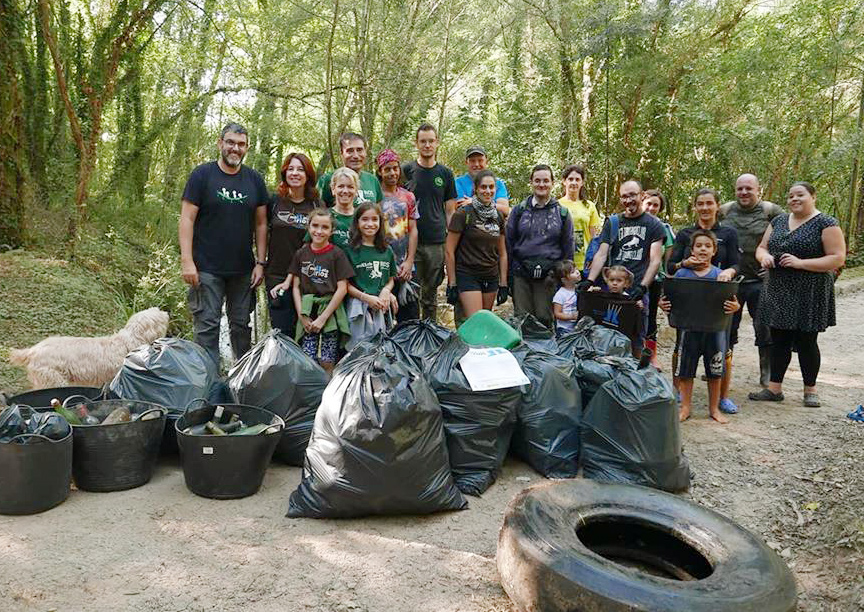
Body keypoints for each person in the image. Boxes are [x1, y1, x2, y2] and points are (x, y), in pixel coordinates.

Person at [179, 122, 269, 366]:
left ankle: (241, 379)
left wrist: (261, 262)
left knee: (241, 326)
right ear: (220, 143)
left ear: (247, 148)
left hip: (242, 270)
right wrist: (187, 261)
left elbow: (261, 224)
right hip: (206, 268)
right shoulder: (202, 176)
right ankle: (206, 381)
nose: (235, 148)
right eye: (230, 142)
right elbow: (187, 218)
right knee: (207, 326)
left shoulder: (254, 180)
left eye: (240, 144)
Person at [749, 182, 846, 407]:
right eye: (791, 196)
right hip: (778, 288)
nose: (794, 199)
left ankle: (810, 390)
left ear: (812, 196)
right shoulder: (779, 221)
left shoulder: (826, 223)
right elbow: (762, 247)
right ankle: (774, 388)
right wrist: (763, 257)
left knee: (806, 340)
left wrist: (801, 263)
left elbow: (837, 258)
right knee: (778, 338)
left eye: (800, 195)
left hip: (809, 290)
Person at [667, 188, 740, 412]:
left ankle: (722, 399)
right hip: (689, 304)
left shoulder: (729, 233)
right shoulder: (685, 234)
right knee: (683, 348)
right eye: (701, 203)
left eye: (710, 203)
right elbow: (670, 267)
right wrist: (684, 265)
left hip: (718, 302)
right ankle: (679, 394)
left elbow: (738, 264)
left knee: (723, 349)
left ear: (717, 206)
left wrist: (728, 272)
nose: (705, 207)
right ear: (695, 206)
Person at [579, 180, 665, 357]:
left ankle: (635, 378)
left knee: (637, 340)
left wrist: (643, 287)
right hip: (611, 292)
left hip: (637, 294)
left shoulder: (654, 224)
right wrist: (589, 280)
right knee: (607, 338)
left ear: (642, 196)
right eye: (624, 196)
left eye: (632, 195)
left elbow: (655, 260)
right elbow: (602, 254)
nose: (628, 200)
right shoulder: (613, 222)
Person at [719, 173, 783, 389]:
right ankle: (720, 366)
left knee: (764, 325)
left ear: (758, 190)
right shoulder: (725, 210)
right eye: (740, 189)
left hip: (760, 279)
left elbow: (786, 237)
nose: (744, 192)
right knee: (727, 325)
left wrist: (774, 266)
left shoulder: (771, 211)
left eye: (748, 188)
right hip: (732, 278)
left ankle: (766, 371)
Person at [505, 164, 574, 329]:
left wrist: (565, 277)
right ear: (531, 182)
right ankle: (523, 354)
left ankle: (544, 354)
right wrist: (507, 277)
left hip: (549, 276)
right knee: (522, 320)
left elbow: (568, 247)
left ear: (552, 183)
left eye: (545, 181)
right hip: (521, 273)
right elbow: (508, 243)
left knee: (545, 319)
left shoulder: (562, 213)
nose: (541, 185)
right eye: (537, 180)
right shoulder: (519, 211)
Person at [401, 123, 458, 322]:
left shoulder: (445, 174)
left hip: (436, 240)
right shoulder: (405, 171)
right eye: (423, 141)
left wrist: (451, 243)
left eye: (430, 141)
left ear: (437, 143)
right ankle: (411, 331)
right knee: (411, 291)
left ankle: (430, 331)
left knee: (431, 292)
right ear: (416, 143)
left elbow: (451, 212)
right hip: (410, 241)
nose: (427, 145)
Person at [286, 209, 354, 375]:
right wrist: (302, 315)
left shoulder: (337, 254)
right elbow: (295, 286)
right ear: (308, 227)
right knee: (307, 358)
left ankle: (328, 395)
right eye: (315, 226)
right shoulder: (301, 254)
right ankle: (311, 397)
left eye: (325, 227)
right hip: (308, 311)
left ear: (331, 231)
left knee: (327, 359)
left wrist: (323, 318)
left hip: (329, 312)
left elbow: (342, 288)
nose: (319, 231)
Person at [266, 152, 321, 335]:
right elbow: (261, 230)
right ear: (284, 173)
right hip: (277, 275)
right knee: (281, 334)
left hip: (309, 278)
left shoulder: (316, 205)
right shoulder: (274, 202)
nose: (295, 173)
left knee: (307, 333)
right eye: (291, 169)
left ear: (308, 175)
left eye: (300, 169)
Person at [444, 170, 508, 318]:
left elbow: (503, 253)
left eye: (491, 187)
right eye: (483, 187)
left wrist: (503, 283)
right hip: (468, 274)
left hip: (490, 275)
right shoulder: (463, 214)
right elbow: (449, 250)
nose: (487, 191)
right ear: (476, 189)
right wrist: (452, 283)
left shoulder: (497, 216)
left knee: (485, 321)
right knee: (477, 320)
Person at [344, 202, 398, 348]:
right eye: (365, 219)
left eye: (375, 219)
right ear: (357, 222)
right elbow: (345, 285)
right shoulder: (350, 251)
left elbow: (391, 279)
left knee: (381, 350)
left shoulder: (386, 250)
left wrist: (386, 291)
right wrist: (366, 298)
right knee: (358, 350)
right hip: (358, 308)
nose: (370, 224)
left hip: (381, 307)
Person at [375, 149, 420, 321]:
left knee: (410, 316)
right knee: (383, 315)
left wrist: (409, 261)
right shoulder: (375, 196)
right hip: (382, 264)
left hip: (405, 266)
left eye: (395, 168)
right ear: (380, 171)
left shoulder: (407, 197)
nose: (392, 173)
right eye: (387, 169)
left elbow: (413, 229)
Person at [642, 189, 675, 368]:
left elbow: (668, 261)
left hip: (655, 280)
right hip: (632, 279)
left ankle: (651, 355)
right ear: (641, 203)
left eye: (656, 205)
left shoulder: (665, 229)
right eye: (649, 204)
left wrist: (666, 287)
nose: (652, 208)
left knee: (651, 317)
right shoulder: (633, 223)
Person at [317, 133, 383, 207]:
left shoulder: (372, 180)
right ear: (342, 154)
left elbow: (378, 211)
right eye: (350, 151)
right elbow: (318, 211)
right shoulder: (327, 179)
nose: (355, 156)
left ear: (365, 152)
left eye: (359, 150)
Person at [559, 165, 601, 270]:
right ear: (564, 181)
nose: (574, 182)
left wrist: (594, 258)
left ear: (582, 182)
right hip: (563, 262)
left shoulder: (589, 206)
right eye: (570, 179)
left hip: (584, 262)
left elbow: (594, 237)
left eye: (577, 179)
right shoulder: (557, 205)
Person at [454, 145, 510, 217]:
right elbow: (461, 207)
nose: (477, 164)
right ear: (466, 162)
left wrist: (474, 202)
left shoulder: (498, 183)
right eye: (472, 161)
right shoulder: (458, 182)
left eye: (480, 160)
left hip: (493, 225)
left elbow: (505, 210)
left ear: (486, 161)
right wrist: (491, 205)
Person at [329, 167, 360, 250]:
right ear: (333, 189)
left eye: (350, 187)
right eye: (341, 186)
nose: (345, 191)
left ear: (356, 190)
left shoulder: (362, 217)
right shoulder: (325, 216)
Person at [552, 261, 581, 337]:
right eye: (573, 272)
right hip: (564, 329)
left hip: (577, 328)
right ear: (564, 279)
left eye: (576, 269)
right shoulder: (560, 294)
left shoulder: (579, 289)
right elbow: (557, 313)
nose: (577, 272)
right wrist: (571, 316)